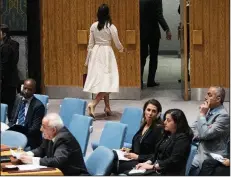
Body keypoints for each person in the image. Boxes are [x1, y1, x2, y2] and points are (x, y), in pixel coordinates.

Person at [83, 4, 124, 119]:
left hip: (95, 53)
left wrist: (88, 60)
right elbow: (116, 42)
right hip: (107, 54)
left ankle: (107, 107)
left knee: (104, 81)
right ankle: (94, 103)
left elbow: (90, 44)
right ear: (108, 13)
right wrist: (121, 49)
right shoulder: (111, 26)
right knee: (108, 81)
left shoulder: (93, 26)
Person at [19, 113, 89, 176]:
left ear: (53, 130)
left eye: (43, 127)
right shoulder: (50, 134)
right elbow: (42, 149)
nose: (41, 129)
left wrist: (32, 160)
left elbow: (57, 161)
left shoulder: (64, 138)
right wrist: (27, 154)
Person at [128, 109, 193, 176]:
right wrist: (147, 163)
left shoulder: (183, 139)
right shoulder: (167, 134)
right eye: (165, 119)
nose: (164, 122)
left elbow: (173, 160)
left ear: (177, 123)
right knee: (129, 171)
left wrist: (153, 167)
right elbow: (157, 153)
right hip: (158, 169)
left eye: (168, 120)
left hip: (169, 173)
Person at [112, 99, 164, 174]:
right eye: (148, 110)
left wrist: (137, 157)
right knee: (112, 154)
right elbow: (139, 144)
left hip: (144, 163)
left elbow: (156, 155)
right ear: (144, 111)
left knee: (113, 163)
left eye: (153, 111)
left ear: (158, 114)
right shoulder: (144, 124)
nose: (150, 113)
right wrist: (128, 150)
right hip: (134, 158)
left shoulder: (159, 129)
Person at [189, 86, 230, 175]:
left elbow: (205, 134)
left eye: (209, 95)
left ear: (218, 98)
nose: (205, 97)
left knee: (182, 165)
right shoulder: (208, 109)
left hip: (208, 154)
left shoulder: (223, 116)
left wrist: (202, 114)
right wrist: (199, 133)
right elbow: (193, 128)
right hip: (197, 148)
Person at [140, 0, 172, 89]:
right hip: (153, 32)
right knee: (153, 57)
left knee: (142, 57)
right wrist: (167, 29)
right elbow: (159, 15)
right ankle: (151, 81)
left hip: (141, 32)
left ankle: (139, 81)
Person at [8, 78, 45, 149]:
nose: (26, 91)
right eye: (25, 88)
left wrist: (19, 134)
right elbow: (12, 120)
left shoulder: (38, 106)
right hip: (15, 132)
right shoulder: (18, 99)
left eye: (30, 89)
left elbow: (35, 129)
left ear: (34, 91)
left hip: (29, 137)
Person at [0, 24, 19, 118]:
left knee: (9, 105)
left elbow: (7, 64)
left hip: (8, 80)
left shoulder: (10, 45)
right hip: (4, 79)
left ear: (4, 34)